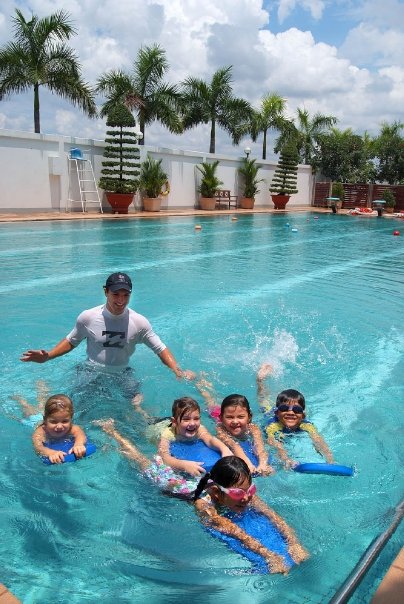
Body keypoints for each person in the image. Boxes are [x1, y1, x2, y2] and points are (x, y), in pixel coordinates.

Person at [20, 272, 194, 384]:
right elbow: (71, 341)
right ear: (105, 292)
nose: (121, 300)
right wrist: (48, 356)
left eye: (126, 295)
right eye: (115, 294)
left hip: (123, 373)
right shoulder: (88, 317)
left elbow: (160, 348)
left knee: (136, 406)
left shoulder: (139, 322)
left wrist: (177, 370)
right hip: (91, 371)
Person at [95, 397, 233, 497]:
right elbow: (165, 457)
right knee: (144, 420)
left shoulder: (200, 429)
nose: (192, 423)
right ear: (175, 422)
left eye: (196, 418)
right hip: (154, 428)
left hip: (169, 422)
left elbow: (210, 440)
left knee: (148, 416)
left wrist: (224, 449)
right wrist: (184, 465)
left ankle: (139, 408)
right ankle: (137, 408)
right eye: (186, 419)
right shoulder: (167, 435)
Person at [193, 456, 309, 574]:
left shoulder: (245, 494)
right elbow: (236, 533)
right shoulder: (204, 505)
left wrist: (294, 543)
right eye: (238, 493)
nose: (246, 498)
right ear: (216, 492)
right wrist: (269, 556)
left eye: (250, 490)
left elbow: (271, 514)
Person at [194, 372, 274, 476]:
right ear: (222, 419)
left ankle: (260, 380)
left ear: (249, 418)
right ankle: (201, 382)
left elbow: (260, 447)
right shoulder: (220, 429)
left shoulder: (253, 428)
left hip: (227, 412)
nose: (235, 421)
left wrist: (263, 464)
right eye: (230, 417)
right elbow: (234, 446)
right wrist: (247, 464)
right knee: (210, 401)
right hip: (215, 413)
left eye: (241, 417)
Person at [257, 365, 334, 468]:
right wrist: (285, 459)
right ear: (277, 413)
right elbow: (273, 443)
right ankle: (260, 380)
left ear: (303, 415)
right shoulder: (273, 426)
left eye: (296, 410)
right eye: (284, 408)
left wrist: (330, 460)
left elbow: (318, 440)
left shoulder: (307, 425)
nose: (290, 412)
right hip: (268, 413)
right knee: (263, 400)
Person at [32, 394, 88, 464]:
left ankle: (42, 394)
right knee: (30, 412)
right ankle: (23, 401)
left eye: (65, 421)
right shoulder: (41, 431)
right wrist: (50, 452)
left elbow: (81, 435)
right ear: (45, 420)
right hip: (34, 420)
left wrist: (79, 444)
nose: (59, 426)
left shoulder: (72, 428)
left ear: (71, 419)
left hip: (47, 416)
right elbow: (38, 447)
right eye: (53, 422)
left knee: (41, 405)